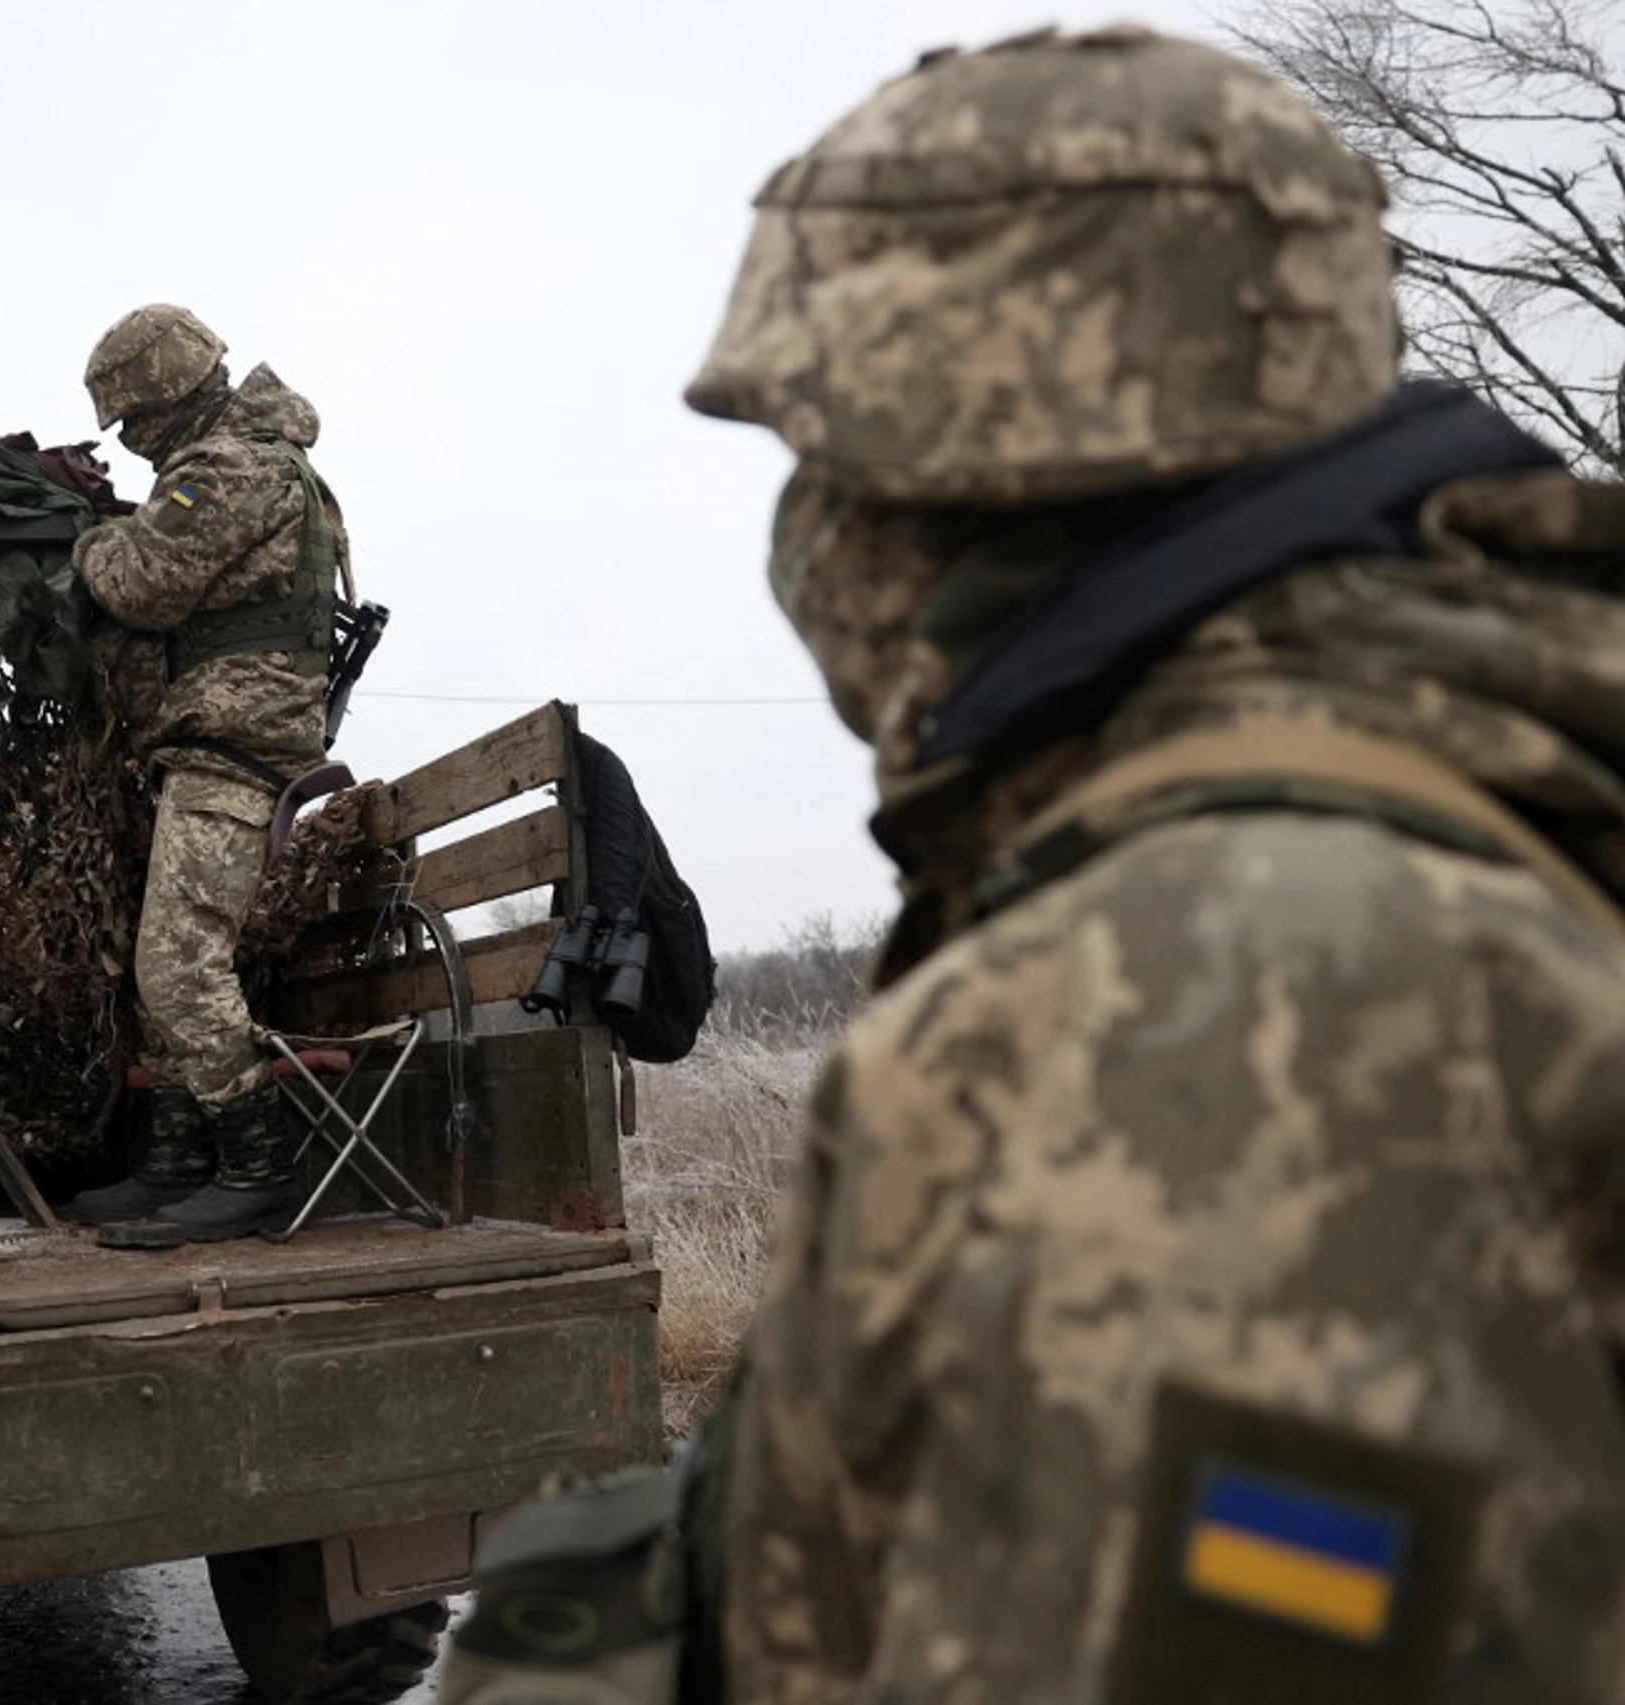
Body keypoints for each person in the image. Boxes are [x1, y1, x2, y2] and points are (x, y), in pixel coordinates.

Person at [442, 25, 1625, 1702]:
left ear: (967, 462)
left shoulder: (1217, 1005)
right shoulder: (1468, 797)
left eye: (821, 463)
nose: (805, 545)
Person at [58, 303, 347, 1243]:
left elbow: (141, 581)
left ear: (164, 393)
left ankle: (256, 1165)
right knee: (161, 969)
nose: (133, 442)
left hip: (238, 745)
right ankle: (176, 1163)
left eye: (133, 419)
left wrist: (88, 543)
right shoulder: (239, 459)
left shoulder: (232, 465)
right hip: (213, 743)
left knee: (178, 963)